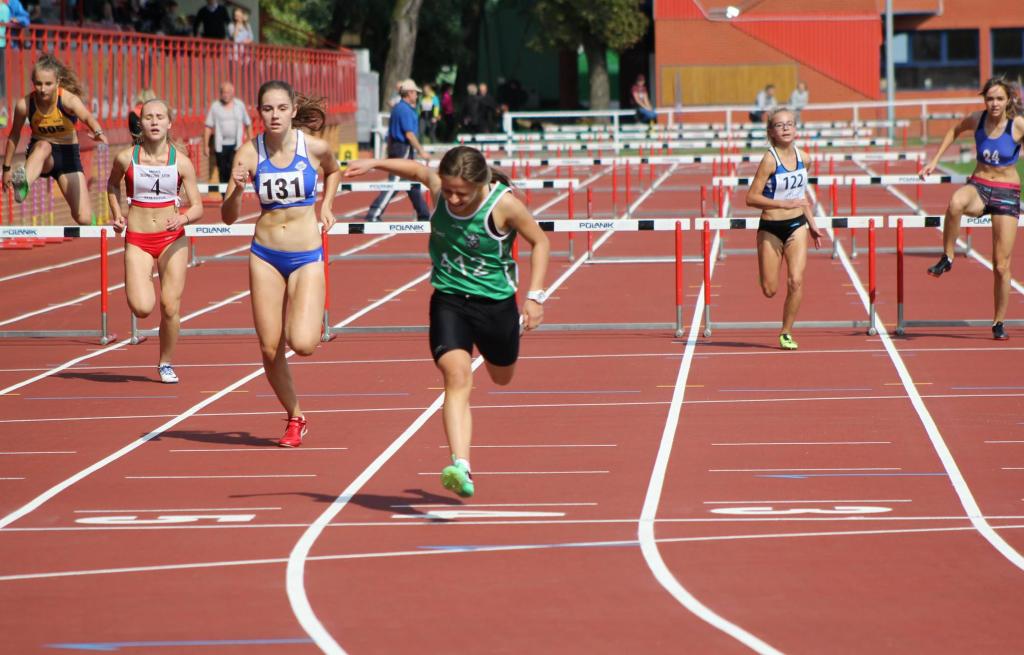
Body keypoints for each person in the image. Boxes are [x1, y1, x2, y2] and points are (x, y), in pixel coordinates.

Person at [344, 145, 550, 497]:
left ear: (481, 184)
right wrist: (375, 162)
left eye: (462, 193)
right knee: (457, 376)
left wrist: (535, 296)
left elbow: (540, 241)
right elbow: (415, 170)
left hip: (496, 304)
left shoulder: (504, 206)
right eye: (449, 190)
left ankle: (503, 345)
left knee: (502, 377)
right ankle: (461, 466)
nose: (453, 199)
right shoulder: (439, 191)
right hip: (449, 300)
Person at [222, 80, 341, 447]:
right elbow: (228, 216)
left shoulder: (314, 147)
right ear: (259, 113)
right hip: (265, 254)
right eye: (267, 109)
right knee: (270, 346)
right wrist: (239, 189)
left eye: (280, 108)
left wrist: (327, 205)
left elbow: (334, 171)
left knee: (303, 342)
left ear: (292, 110)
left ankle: (296, 407)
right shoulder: (248, 153)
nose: (274, 116)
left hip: (306, 252)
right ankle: (296, 416)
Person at [106, 99, 203, 383]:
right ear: (141, 124)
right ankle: (143, 286)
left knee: (170, 306)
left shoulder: (181, 162)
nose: (154, 122)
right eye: (149, 117)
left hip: (172, 239)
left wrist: (183, 219)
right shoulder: (127, 158)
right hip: (138, 239)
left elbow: (197, 206)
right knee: (142, 307)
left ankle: (165, 363)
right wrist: (117, 213)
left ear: (169, 123)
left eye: (160, 117)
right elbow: (112, 185)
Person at [920, 76, 1023, 340]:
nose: (994, 104)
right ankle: (948, 257)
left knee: (1001, 265)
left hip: (1006, 193)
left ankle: (998, 322)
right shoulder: (977, 119)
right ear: (984, 100)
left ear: (1009, 99)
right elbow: (953, 131)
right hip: (978, 187)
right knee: (955, 202)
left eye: (999, 99)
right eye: (990, 99)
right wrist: (934, 161)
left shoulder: (1018, 124)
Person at [745, 107, 823, 351]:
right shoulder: (770, 159)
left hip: (796, 225)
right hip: (770, 226)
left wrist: (811, 222)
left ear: (796, 129)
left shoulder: (805, 158)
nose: (786, 128)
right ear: (771, 132)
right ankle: (767, 272)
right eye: (780, 125)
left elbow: (799, 195)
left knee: (796, 281)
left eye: (790, 124)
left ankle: (786, 332)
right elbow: (751, 198)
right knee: (770, 289)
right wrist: (782, 203)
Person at [2, 54, 108, 225]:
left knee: (83, 218)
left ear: (57, 82)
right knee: (44, 145)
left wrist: (97, 131)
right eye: (38, 84)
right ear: (33, 83)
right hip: (42, 157)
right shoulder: (25, 104)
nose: (43, 89)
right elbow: (14, 135)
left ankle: (90, 218)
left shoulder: (68, 100)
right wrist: (6, 168)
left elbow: (87, 116)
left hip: (67, 157)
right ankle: (22, 185)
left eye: (48, 84)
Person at [364, 78, 430, 222]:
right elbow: (409, 134)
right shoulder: (404, 109)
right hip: (403, 148)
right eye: (415, 93)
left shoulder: (400, 108)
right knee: (394, 182)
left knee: (412, 182)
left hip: (399, 147)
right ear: (409, 93)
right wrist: (421, 151)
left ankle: (424, 214)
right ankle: (374, 213)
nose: (417, 96)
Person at [204, 81, 253, 193]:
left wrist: (251, 142)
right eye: (223, 92)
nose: (226, 94)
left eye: (228, 92)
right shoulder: (215, 107)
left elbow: (248, 124)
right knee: (223, 171)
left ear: (233, 93)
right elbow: (208, 126)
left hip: (237, 146)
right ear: (220, 93)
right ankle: (224, 197)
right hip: (220, 146)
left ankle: (234, 194)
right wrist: (206, 146)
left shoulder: (239, 105)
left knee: (234, 169)